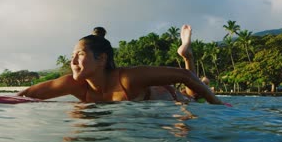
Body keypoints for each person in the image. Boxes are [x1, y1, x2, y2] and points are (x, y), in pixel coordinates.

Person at [17, 25, 223, 104]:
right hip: (162, 97)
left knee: (193, 96)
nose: (72, 62)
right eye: (72, 56)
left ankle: (188, 55)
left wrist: (219, 106)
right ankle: (187, 54)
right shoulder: (74, 84)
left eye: (79, 55)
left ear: (102, 59)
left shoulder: (127, 78)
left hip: (172, 98)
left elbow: (185, 76)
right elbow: (27, 95)